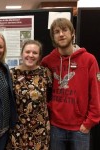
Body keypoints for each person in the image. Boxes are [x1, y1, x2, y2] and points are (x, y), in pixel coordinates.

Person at [41, 18, 100, 150]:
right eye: (56, 31)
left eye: (64, 30)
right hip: (55, 126)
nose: (61, 34)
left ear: (72, 33)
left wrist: (90, 122)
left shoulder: (89, 60)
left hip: (80, 128)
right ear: (53, 37)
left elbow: (96, 93)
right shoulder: (47, 62)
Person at [6, 40, 52, 150]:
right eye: (27, 52)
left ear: (39, 56)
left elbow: (50, 95)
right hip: (18, 129)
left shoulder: (45, 73)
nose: (30, 55)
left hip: (40, 130)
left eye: (35, 53)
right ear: (22, 53)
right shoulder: (11, 74)